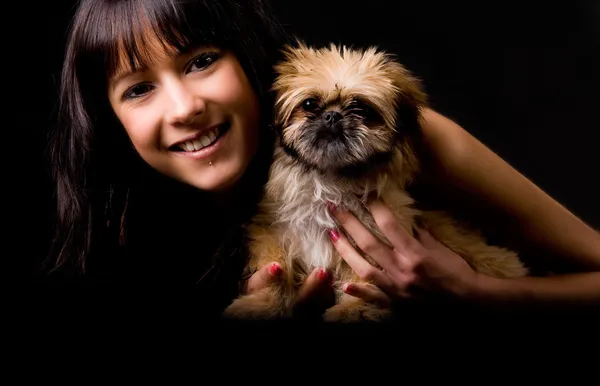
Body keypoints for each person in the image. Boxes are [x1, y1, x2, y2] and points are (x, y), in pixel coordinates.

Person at [44, 0, 599, 318]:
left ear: (251, 55)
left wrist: (480, 295)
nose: (185, 107)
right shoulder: (113, 235)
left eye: (202, 60)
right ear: (107, 120)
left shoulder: (410, 139)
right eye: (138, 89)